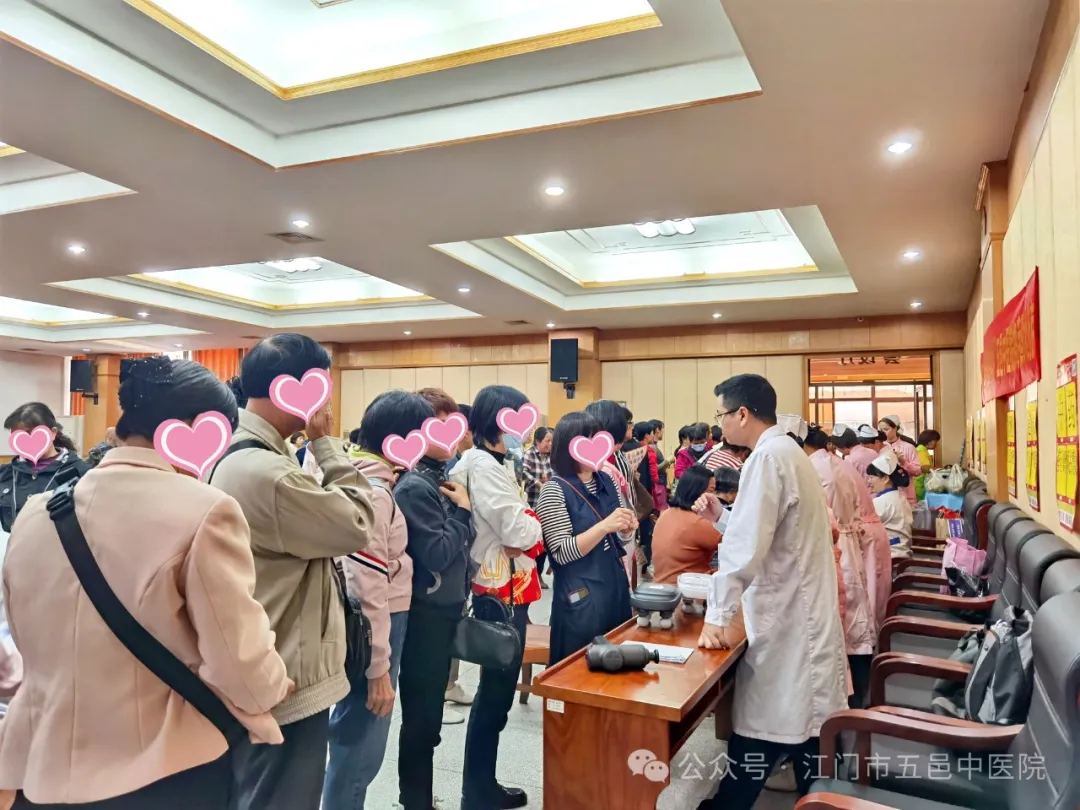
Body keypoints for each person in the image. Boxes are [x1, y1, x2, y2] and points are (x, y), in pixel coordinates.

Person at [0, 356, 291, 808]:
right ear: (196, 428)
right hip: (161, 768)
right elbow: (237, 661)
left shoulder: (36, 515)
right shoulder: (207, 511)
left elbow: (24, 637)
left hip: (40, 767)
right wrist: (274, 685)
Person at [210, 334, 377, 810]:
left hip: (256, 656)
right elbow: (355, 524)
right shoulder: (271, 472)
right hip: (284, 669)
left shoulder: (237, 451)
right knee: (284, 795)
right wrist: (326, 445)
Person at [692, 375, 847, 809]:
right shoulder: (787, 452)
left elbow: (744, 548)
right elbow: (769, 530)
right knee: (798, 730)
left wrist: (716, 617)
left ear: (742, 414)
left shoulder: (766, 458)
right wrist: (723, 515)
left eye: (722, 414)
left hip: (791, 616)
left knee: (774, 725)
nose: (720, 423)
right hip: (798, 609)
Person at [323, 391, 426, 810]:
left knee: (354, 730)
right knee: (362, 740)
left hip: (365, 621)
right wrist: (378, 666)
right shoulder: (376, 492)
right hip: (377, 624)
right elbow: (366, 581)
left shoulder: (353, 475)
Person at [450, 385, 545, 810]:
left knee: (497, 691)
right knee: (495, 691)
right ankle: (478, 789)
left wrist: (525, 523)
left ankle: (481, 785)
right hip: (500, 589)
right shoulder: (484, 466)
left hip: (504, 583)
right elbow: (520, 531)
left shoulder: (490, 462)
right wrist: (531, 522)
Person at [395, 388, 476, 809]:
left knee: (428, 717)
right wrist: (463, 511)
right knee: (422, 718)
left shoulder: (438, 479)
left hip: (443, 609)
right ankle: (415, 800)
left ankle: (419, 798)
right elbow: (440, 553)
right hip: (424, 614)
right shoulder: (415, 486)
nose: (454, 435)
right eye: (442, 425)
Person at [536, 411, 637, 663]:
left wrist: (626, 529)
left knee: (617, 658)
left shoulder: (607, 480)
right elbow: (561, 552)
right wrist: (603, 527)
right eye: (588, 442)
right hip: (579, 594)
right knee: (579, 667)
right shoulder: (554, 490)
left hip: (614, 583)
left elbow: (618, 536)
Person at [800, 424, 875, 707]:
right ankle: (859, 685)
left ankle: (844, 690)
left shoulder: (811, 468)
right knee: (855, 610)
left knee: (839, 616)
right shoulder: (840, 465)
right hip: (850, 539)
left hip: (830, 541)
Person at [1, 403, 90, 533]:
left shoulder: (82, 472)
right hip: (13, 544)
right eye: (17, 435)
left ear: (53, 433)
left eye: (28, 433)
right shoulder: (5, 474)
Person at [651, 464, 722, 585]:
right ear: (696, 491)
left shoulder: (666, 515)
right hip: (687, 589)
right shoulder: (696, 523)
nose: (714, 497)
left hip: (662, 584)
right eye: (710, 491)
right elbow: (736, 542)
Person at [522, 426, 553, 586]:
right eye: (547, 441)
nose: (550, 444)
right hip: (532, 505)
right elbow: (523, 473)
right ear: (537, 441)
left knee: (544, 543)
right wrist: (538, 483)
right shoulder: (529, 455)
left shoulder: (551, 457)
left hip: (547, 507)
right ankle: (530, 575)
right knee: (531, 543)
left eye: (552, 441)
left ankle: (539, 574)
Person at [869, 449, 914, 559]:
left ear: (885, 478)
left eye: (872, 477)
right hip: (902, 553)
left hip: (889, 556)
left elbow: (866, 530)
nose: (869, 482)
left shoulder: (881, 502)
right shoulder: (900, 497)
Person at [878, 415, 920, 505]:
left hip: (906, 495)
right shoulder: (879, 448)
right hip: (885, 495)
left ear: (895, 428)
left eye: (886, 429)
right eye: (881, 430)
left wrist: (903, 462)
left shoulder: (909, 447)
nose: (883, 432)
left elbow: (917, 471)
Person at [914, 429, 941, 500]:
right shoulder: (921, 451)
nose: (936, 443)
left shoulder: (922, 450)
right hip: (919, 485)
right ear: (929, 441)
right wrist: (941, 470)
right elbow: (925, 468)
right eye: (935, 441)